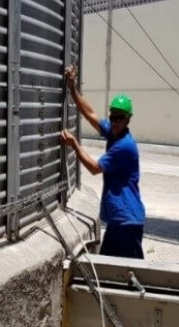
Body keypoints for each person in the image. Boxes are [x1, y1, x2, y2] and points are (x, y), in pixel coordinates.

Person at [59, 65, 146, 259]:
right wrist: (72, 88)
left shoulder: (124, 146)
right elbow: (90, 115)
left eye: (120, 118)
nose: (115, 121)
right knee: (107, 269)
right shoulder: (115, 134)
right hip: (117, 221)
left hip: (127, 222)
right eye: (113, 117)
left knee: (133, 272)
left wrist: (74, 144)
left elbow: (94, 168)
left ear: (128, 120)